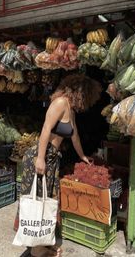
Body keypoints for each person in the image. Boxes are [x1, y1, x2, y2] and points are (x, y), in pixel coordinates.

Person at [17, 74, 102, 257]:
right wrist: (40, 158)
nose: (85, 102)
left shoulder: (70, 110)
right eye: (86, 97)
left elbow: (75, 136)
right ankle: (36, 248)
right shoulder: (60, 103)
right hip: (42, 155)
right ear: (79, 93)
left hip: (53, 157)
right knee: (38, 199)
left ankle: (44, 240)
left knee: (48, 201)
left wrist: (82, 156)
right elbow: (46, 128)